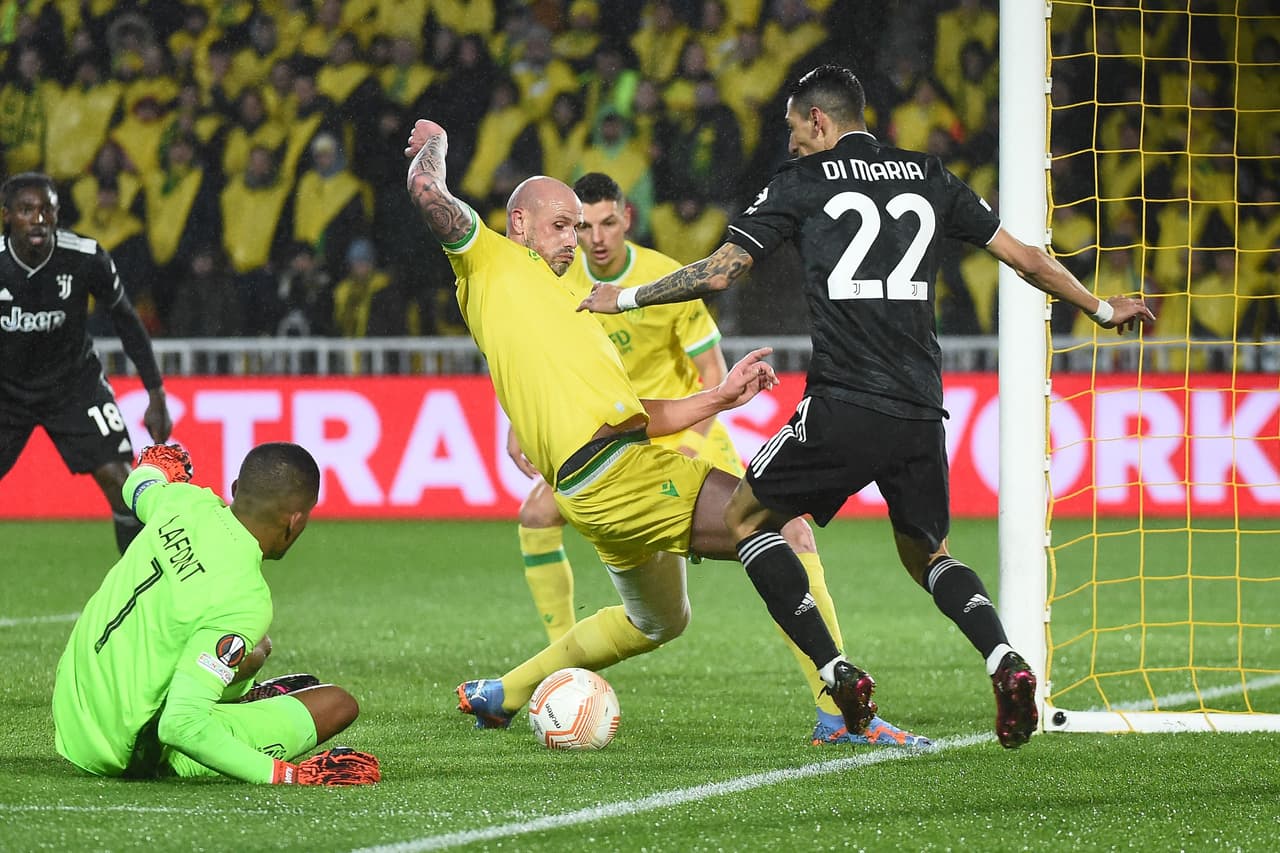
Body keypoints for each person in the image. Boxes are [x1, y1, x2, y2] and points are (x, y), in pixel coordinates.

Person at [578, 65, 1157, 749]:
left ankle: (836, 672)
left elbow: (722, 270)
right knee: (930, 555)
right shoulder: (929, 174)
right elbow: (1026, 257)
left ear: (818, 120)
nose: (790, 144)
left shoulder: (801, 181)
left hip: (843, 402)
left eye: (794, 130)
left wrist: (625, 297)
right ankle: (1003, 656)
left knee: (747, 518)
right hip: (920, 408)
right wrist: (1100, 307)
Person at [403, 118, 880, 741]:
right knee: (778, 526)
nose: (574, 240)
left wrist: (717, 397)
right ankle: (840, 714)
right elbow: (429, 193)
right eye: (561, 225)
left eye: (579, 227)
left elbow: (637, 414)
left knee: (660, 621)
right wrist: (437, 142)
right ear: (518, 223)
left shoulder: (575, 300)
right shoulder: (489, 260)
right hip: (615, 475)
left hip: (611, 471)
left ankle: (504, 693)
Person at [510, 172, 926, 746]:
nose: (596, 238)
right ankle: (556, 662)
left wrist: (688, 443)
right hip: (616, 439)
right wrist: (520, 420)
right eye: (584, 227)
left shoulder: (661, 277)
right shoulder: (564, 280)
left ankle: (831, 706)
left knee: (791, 532)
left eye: (607, 223)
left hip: (687, 427)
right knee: (539, 518)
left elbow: (710, 370)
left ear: (627, 218)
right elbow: (542, 361)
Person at [52, 441, 380, 786]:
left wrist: (155, 463)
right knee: (337, 704)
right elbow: (180, 725)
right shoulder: (245, 597)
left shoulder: (184, 501)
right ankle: (214, 718)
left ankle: (238, 694)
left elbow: (137, 485)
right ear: (295, 522)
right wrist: (288, 776)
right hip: (119, 749)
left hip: (71, 713)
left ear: (235, 489)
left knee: (256, 650)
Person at [0, 172, 172, 554]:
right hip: (6, 394)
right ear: (7, 215)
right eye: (26, 210)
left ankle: (141, 580)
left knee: (122, 484)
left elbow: (126, 319)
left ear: (58, 213)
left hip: (73, 387)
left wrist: (156, 392)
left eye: (47, 209)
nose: (38, 219)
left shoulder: (84, 256)